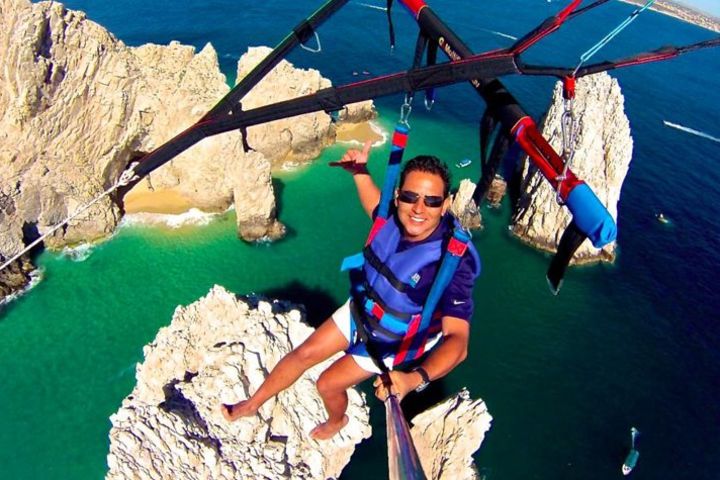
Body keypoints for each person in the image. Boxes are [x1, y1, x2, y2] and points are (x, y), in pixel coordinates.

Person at [221, 140, 480, 440]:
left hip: (391, 340)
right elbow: (374, 206)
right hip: (363, 307)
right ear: (398, 197)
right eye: (411, 197)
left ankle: (336, 421)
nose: (419, 209)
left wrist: (413, 379)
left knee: (327, 383)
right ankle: (252, 405)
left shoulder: (452, 261)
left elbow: (458, 342)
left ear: (446, 204)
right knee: (304, 354)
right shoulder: (397, 218)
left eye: (432, 201)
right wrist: (359, 172)